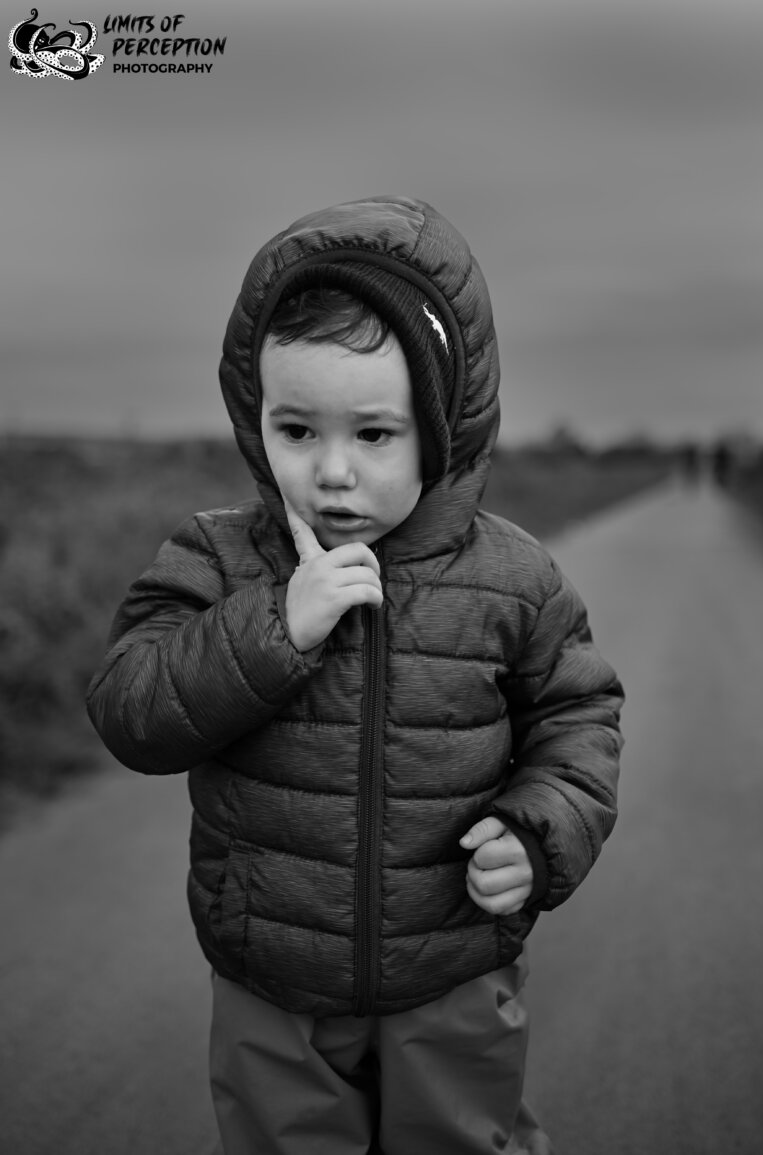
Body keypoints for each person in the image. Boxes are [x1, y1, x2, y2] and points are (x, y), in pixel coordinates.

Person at [86, 195, 624, 1154]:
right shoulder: (218, 561)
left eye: (373, 435)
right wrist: (271, 625)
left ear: (441, 428)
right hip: (272, 976)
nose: (332, 473)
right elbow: (132, 709)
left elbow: (579, 716)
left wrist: (544, 834)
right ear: (257, 421)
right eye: (298, 431)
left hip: (453, 966)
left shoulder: (512, 578)